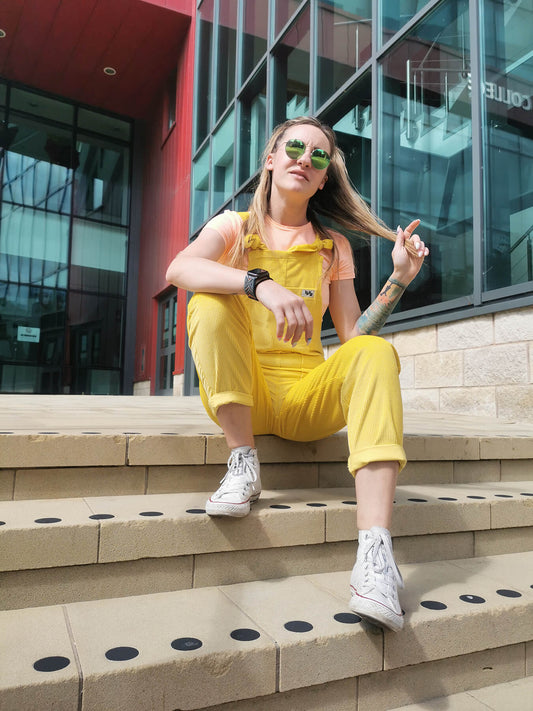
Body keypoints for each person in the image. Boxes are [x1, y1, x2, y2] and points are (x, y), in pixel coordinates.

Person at [166, 116, 428, 632]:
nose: (305, 159)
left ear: (325, 176)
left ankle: (375, 555)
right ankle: (243, 464)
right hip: (245, 394)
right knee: (209, 304)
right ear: (271, 158)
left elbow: (354, 337)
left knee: (375, 353)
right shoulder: (232, 227)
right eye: (294, 148)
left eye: (319, 156)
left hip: (307, 398)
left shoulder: (333, 247)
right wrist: (258, 284)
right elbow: (178, 269)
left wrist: (398, 280)